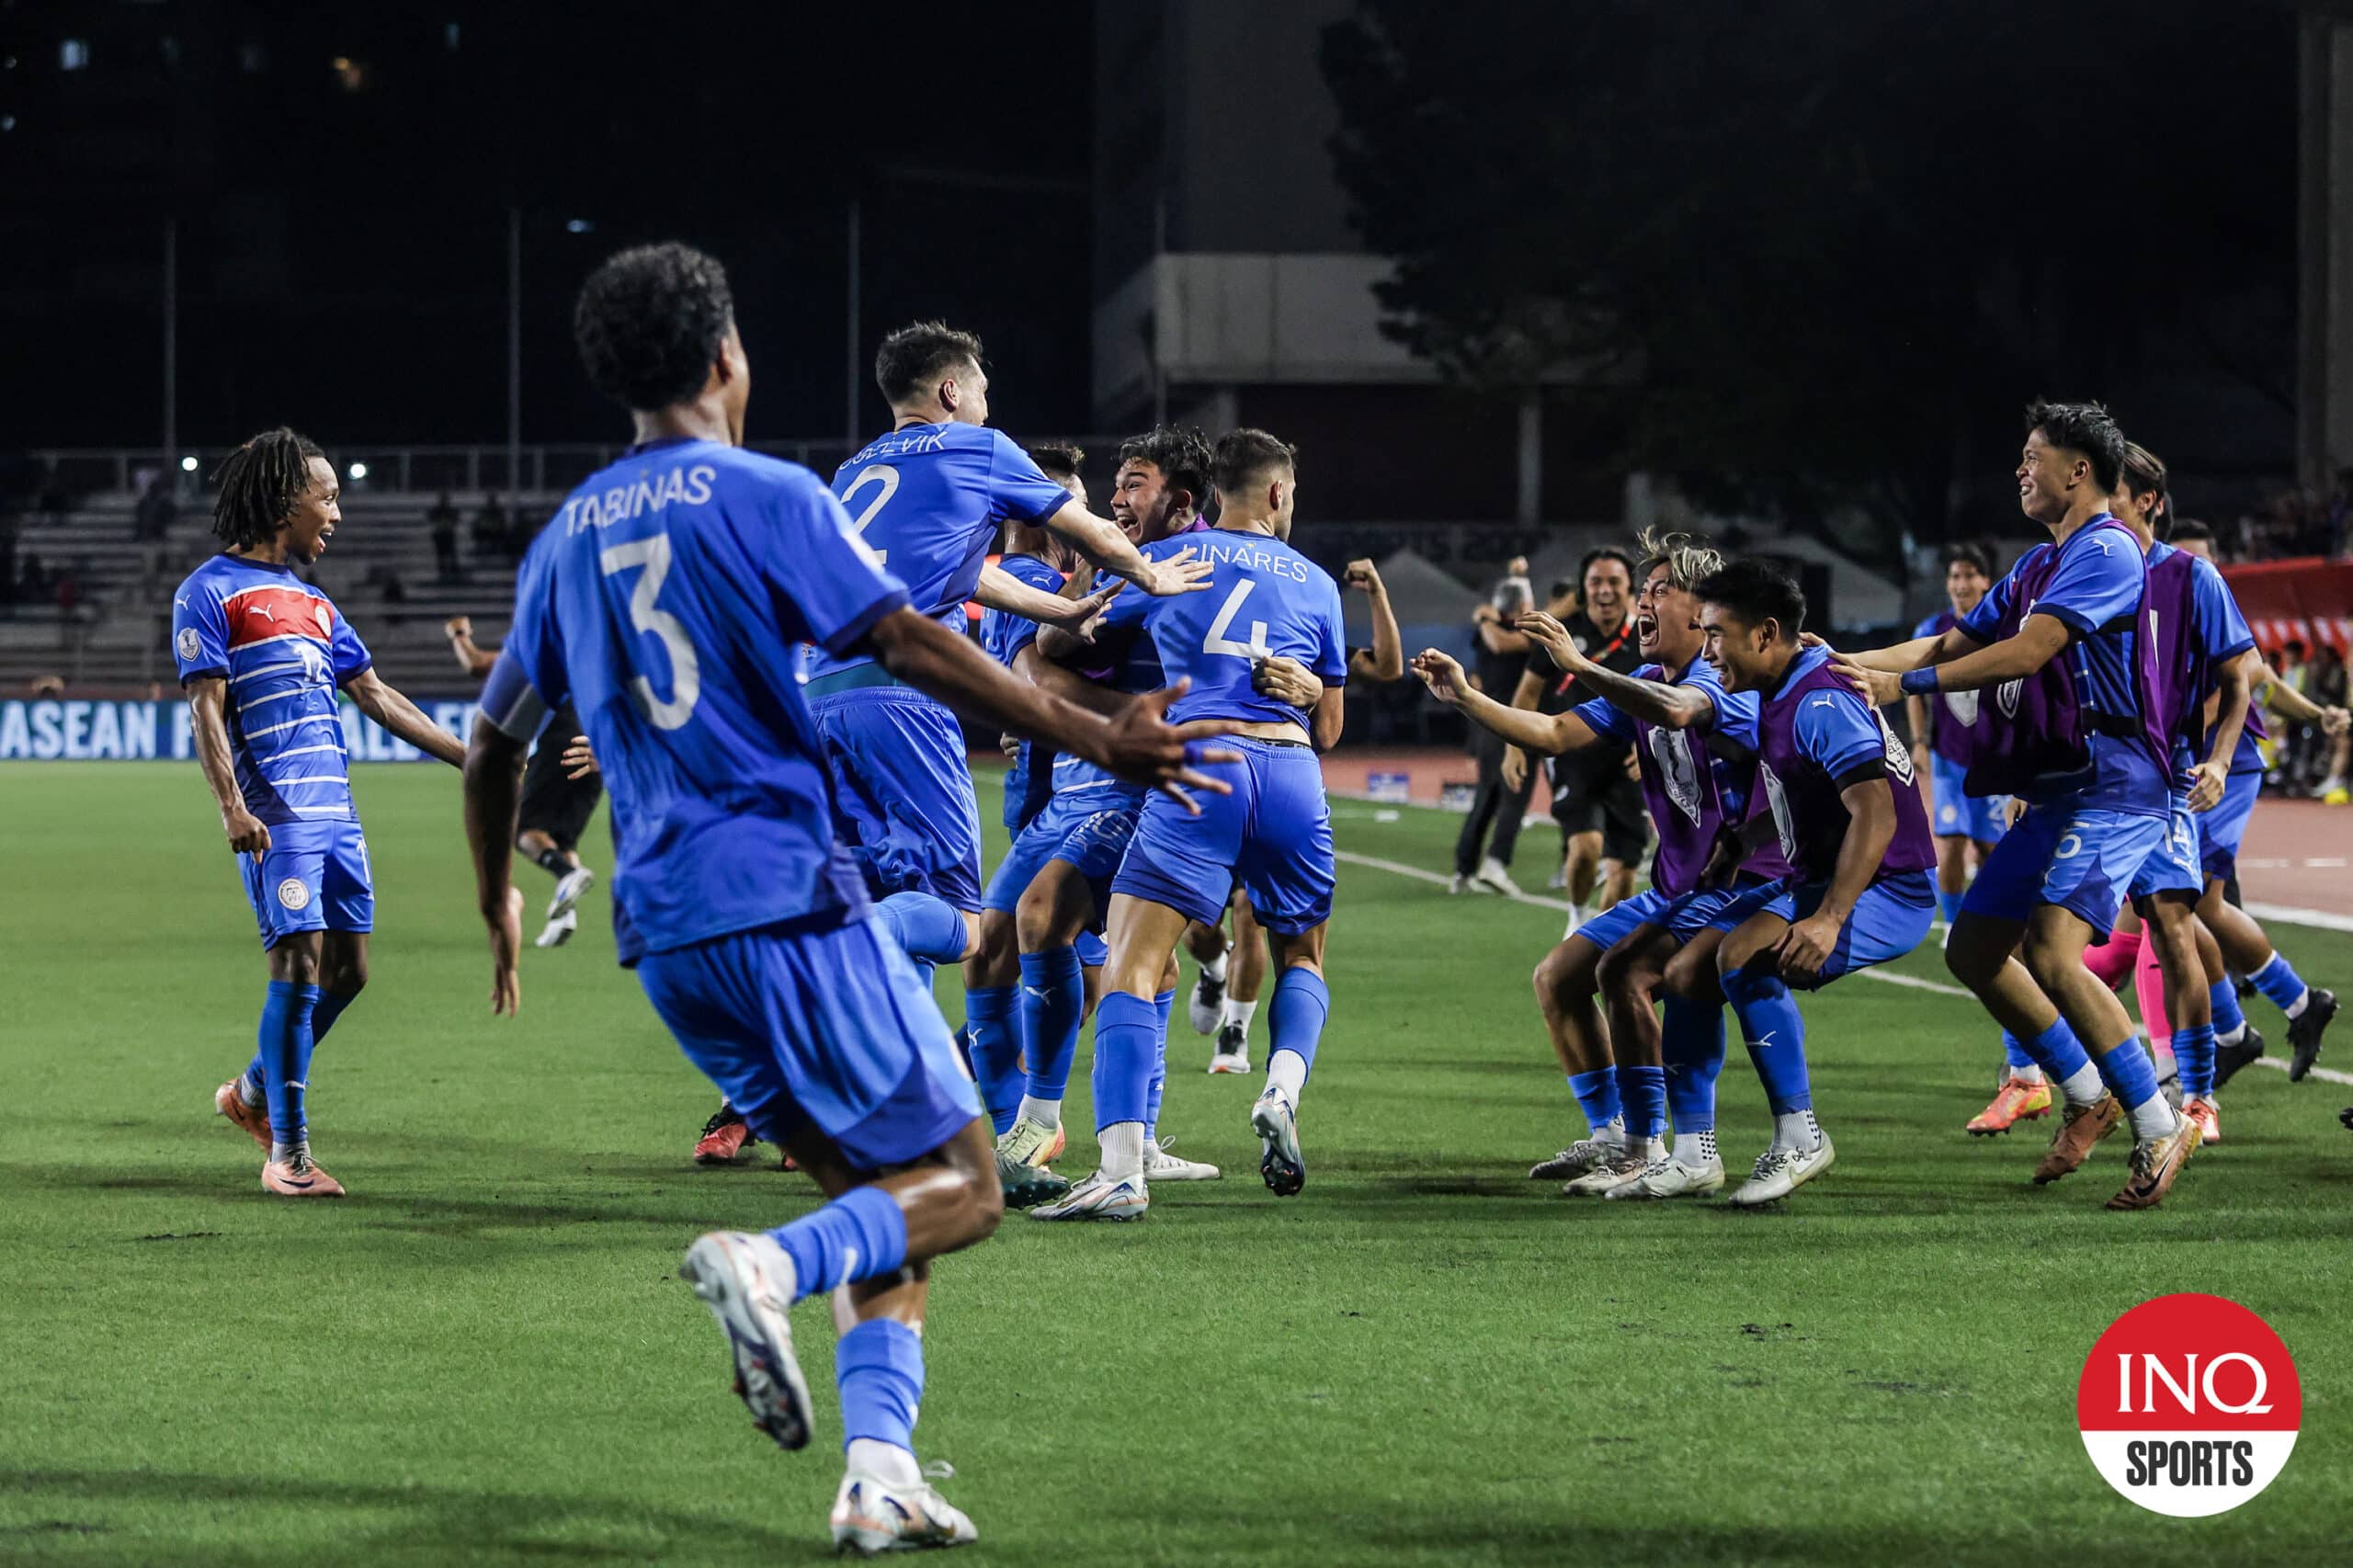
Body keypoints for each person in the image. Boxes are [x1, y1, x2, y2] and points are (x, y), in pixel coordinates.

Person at [461, 243, 1231, 1551]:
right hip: (783, 900)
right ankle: (765, 1266)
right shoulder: (767, 492)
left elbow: (493, 745)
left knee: (884, 1196)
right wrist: (1098, 736)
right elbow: (908, 638)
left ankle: (879, 1472)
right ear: (724, 361)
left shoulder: (563, 538)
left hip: (670, 940)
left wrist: (494, 899)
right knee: (969, 1187)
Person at [1834, 402, 2197, 1210]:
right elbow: (1950, 643)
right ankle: (2081, 1090)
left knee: (2056, 952)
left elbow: (2030, 652)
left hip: (2122, 784)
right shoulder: (2042, 562)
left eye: (2034, 456)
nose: (2021, 470)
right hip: (2063, 788)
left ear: (2079, 470)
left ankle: (2157, 1119)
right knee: (1974, 948)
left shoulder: (2106, 550)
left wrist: (1905, 688)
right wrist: (1839, 663)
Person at [1032, 427, 1347, 1220]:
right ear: (1277, 493)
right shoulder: (1317, 582)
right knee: (1302, 954)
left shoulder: (1179, 562)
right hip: (1292, 772)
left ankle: (1121, 1171)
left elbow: (1059, 637)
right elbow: (1332, 724)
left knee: (1134, 967)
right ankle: (1279, 1090)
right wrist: (1306, 691)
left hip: (1202, 764)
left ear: (1213, 496)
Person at [1414, 531, 1778, 1199]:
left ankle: (1648, 1147)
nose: (1643, 601)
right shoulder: (1643, 681)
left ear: (1702, 610)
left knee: (1627, 974)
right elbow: (1553, 733)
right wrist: (1465, 695)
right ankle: (1613, 1136)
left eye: (1658, 590)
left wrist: (1577, 662)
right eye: (1643, 590)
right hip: (1675, 886)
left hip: (1737, 888)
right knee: (1557, 977)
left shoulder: (1720, 680)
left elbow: (1677, 713)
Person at [176, 426, 467, 1199]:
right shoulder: (210, 592)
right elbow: (206, 713)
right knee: (298, 966)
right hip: (277, 817)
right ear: (282, 501)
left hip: (338, 815)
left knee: (350, 973)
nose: (336, 513)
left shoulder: (314, 602)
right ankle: (289, 1156)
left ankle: (249, 1093)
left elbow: (376, 695)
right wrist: (231, 807)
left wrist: (475, 759)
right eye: (327, 497)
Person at [992, 428, 1226, 1200]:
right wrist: (1042, 657)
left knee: (1036, 920)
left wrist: (1044, 670)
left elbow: (1044, 668)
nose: (1115, 501)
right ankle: (1140, 1137)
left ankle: (1036, 1119)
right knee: (1019, 946)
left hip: (1134, 787)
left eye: (1132, 484)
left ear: (1179, 500)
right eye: (1116, 485)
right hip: (1073, 787)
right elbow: (1041, 654)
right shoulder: (1123, 564)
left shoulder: (1176, 568)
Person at [1203, 555, 1404, 1074]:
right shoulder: (1213, 625)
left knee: (1251, 916)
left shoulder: (1309, 631)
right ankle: (1211, 964)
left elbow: (1386, 667)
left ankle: (1235, 1033)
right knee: (1197, 929)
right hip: (1210, 776)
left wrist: (1376, 593)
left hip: (1277, 785)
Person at [2167, 520, 2344, 1086]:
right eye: (2185, 560)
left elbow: (2248, 683)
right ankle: (2291, 1008)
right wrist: (2318, 714)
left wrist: (2318, 717)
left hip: (2225, 768)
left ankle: (2238, 1031)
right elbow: (2266, 681)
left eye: (2204, 561)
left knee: (2184, 906)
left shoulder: (2209, 605)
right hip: (2194, 769)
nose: (2196, 571)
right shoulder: (2166, 601)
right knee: (2186, 908)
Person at [1510, 548, 1650, 928]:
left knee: (1624, 873)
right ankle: (1575, 918)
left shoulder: (1647, 638)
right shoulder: (1560, 632)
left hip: (1627, 762)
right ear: (1584, 589)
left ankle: (1597, 942)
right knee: (1586, 848)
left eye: (1614, 582)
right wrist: (1514, 747)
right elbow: (1528, 692)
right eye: (1596, 582)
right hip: (1572, 757)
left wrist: (1650, 743)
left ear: (1629, 589)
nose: (1605, 590)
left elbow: (1665, 696)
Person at [447, 615, 604, 950]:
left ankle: (566, 875)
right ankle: (564, 917)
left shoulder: (544, 652)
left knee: (524, 831)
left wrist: (459, 635)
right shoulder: (593, 650)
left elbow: (476, 665)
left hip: (562, 742)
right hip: (598, 748)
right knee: (562, 837)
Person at [1906, 543, 2007, 926]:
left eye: (1968, 575)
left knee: (1990, 851)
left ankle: (1990, 925)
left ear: (1985, 581)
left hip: (1995, 761)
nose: (1961, 583)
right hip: (1948, 757)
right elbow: (1911, 687)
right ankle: (1952, 925)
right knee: (1949, 846)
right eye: (1954, 576)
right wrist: (1919, 742)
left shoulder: (2005, 630)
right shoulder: (1933, 631)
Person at [1449, 563, 1536, 893]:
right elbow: (1504, 643)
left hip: (1488, 724)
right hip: (1514, 723)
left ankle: (1463, 869)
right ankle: (1495, 863)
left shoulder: (1488, 631)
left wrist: (1490, 613)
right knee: (1514, 796)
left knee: (1486, 797)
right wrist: (1489, 617)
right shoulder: (1507, 635)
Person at [428, 493, 460, 581]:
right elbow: (431, 518)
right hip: (440, 535)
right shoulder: (436, 510)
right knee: (441, 554)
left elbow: (456, 519)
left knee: (451, 553)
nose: (444, 502)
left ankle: (453, 569)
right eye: (443, 500)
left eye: (445, 500)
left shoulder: (452, 510)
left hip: (448, 534)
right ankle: (443, 570)